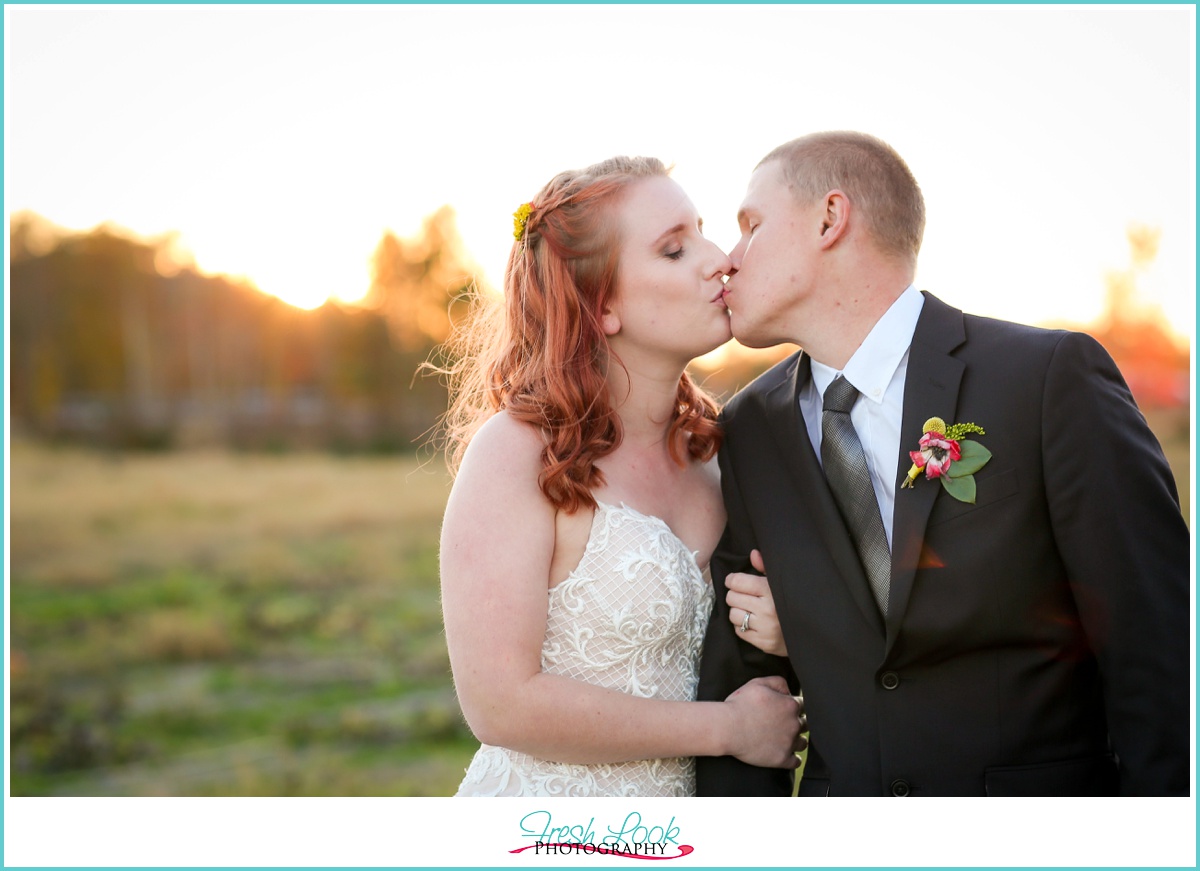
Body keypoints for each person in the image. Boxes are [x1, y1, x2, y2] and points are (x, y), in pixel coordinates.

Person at [696, 131, 1190, 797]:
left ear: (829, 219)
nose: (729, 257)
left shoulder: (1043, 381)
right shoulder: (750, 427)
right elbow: (743, 684)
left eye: (750, 225)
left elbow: (1157, 654)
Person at [438, 156, 804, 797]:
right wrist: (724, 730)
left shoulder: (722, 450)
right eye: (673, 249)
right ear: (602, 305)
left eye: (701, 230)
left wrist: (787, 625)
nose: (719, 258)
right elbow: (499, 705)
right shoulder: (519, 453)